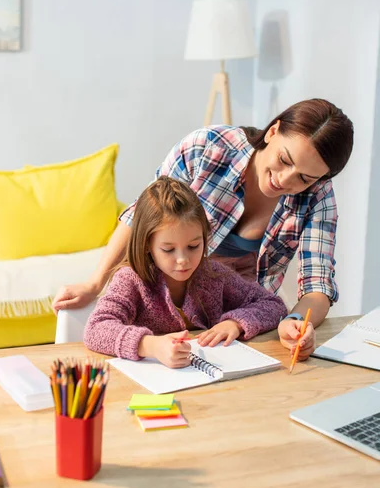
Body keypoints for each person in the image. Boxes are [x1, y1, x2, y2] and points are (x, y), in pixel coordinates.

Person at [54, 98, 354, 361]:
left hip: (237, 326)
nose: (285, 180)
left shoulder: (318, 195)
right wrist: (95, 283)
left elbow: (316, 285)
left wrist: (296, 321)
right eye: (283, 160)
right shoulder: (208, 147)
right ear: (273, 131)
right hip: (173, 315)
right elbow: (141, 214)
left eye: (304, 178)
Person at [83, 176, 287, 366]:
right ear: (147, 244)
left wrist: (236, 323)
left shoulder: (213, 274)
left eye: (193, 246)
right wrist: (151, 346)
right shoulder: (131, 279)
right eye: (168, 249)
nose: (183, 260)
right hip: (153, 389)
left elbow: (272, 304)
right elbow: (96, 329)